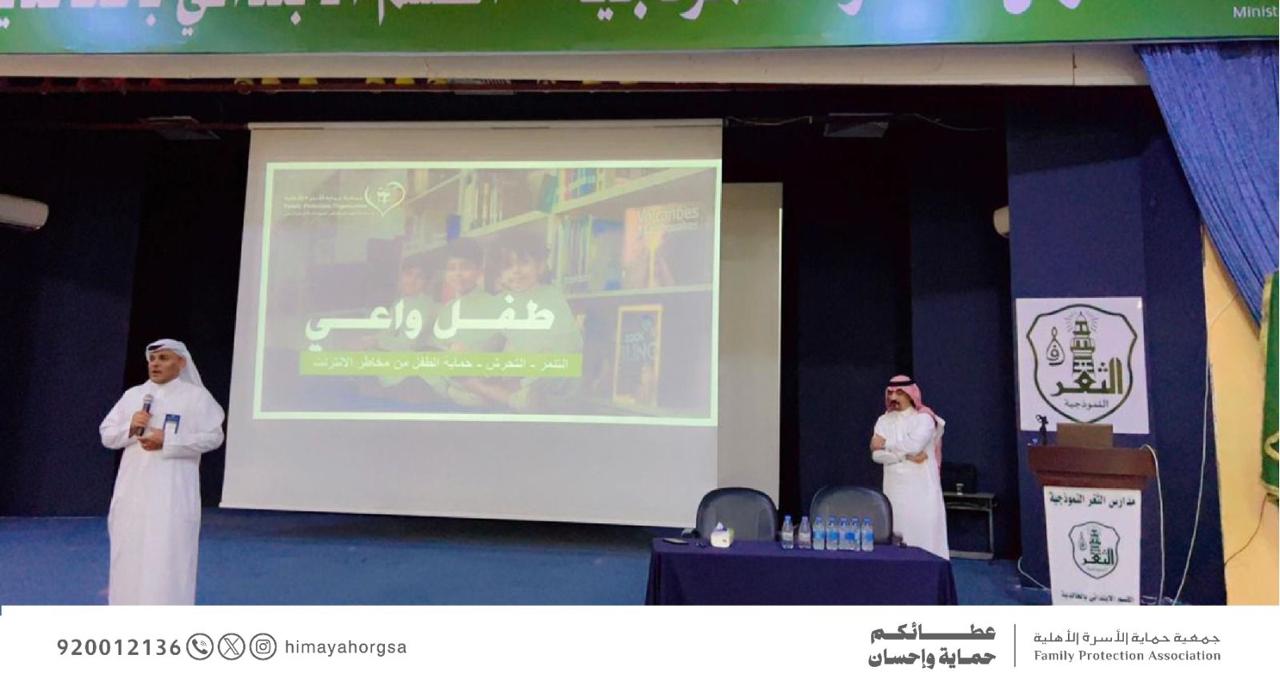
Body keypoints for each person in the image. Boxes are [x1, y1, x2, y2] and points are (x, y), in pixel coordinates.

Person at [98, 339, 225, 604]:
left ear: (181, 363)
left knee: (168, 553)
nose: (155, 364)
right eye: (153, 359)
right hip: (133, 492)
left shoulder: (196, 397)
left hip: (173, 493)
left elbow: (213, 437)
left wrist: (168, 440)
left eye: (164, 358)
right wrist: (130, 427)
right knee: (128, 551)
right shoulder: (133, 395)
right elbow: (107, 435)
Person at [869, 374, 949, 559]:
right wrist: (904, 455)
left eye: (899, 393)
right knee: (897, 531)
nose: (893, 397)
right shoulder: (883, 420)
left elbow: (914, 445)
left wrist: (887, 444)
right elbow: (876, 455)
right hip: (894, 488)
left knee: (924, 533)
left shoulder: (925, 419)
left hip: (922, 488)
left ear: (910, 394)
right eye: (890, 393)